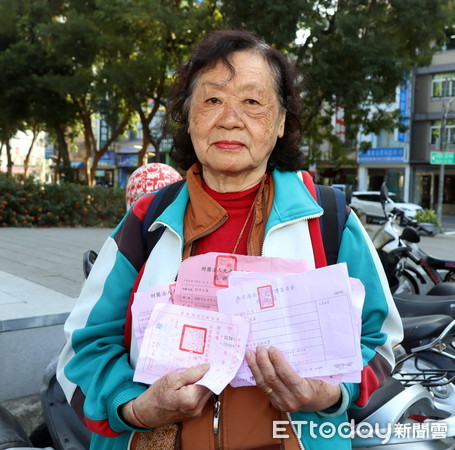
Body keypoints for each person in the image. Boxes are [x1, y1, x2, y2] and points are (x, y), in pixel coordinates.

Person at [57, 30, 403, 450]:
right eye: (213, 100)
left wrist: (329, 394)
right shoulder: (147, 221)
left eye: (253, 102)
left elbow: (381, 342)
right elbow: (82, 349)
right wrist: (136, 406)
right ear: (188, 117)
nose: (230, 118)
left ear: (280, 123)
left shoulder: (328, 218)